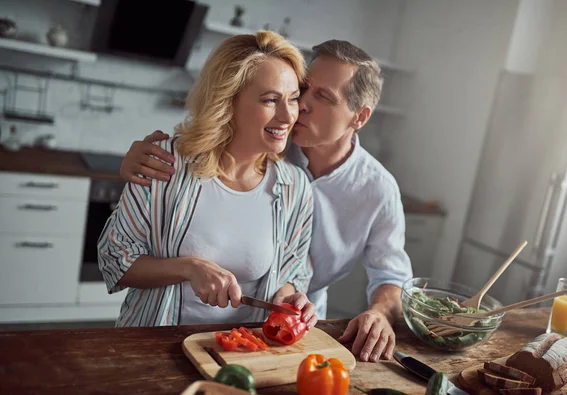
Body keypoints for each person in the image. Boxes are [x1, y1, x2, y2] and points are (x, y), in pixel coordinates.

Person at [120, 39, 413, 362]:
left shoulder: (377, 188)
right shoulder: (265, 141)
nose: (300, 106)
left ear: (360, 117)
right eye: (304, 90)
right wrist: (138, 160)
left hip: (294, 317)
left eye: (324, 97)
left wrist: (381, 314)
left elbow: (390, 275)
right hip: (174, 326)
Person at [98, 31, 317, 329]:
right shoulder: (166, 163)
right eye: (270, 100)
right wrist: (189, 268)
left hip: (240, 353)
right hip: (153, 346)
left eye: (292, 99)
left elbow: (292, 274)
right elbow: (115, 259)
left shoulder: (296, 187)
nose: (287, 115)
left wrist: (291, 299)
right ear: (228, 101)